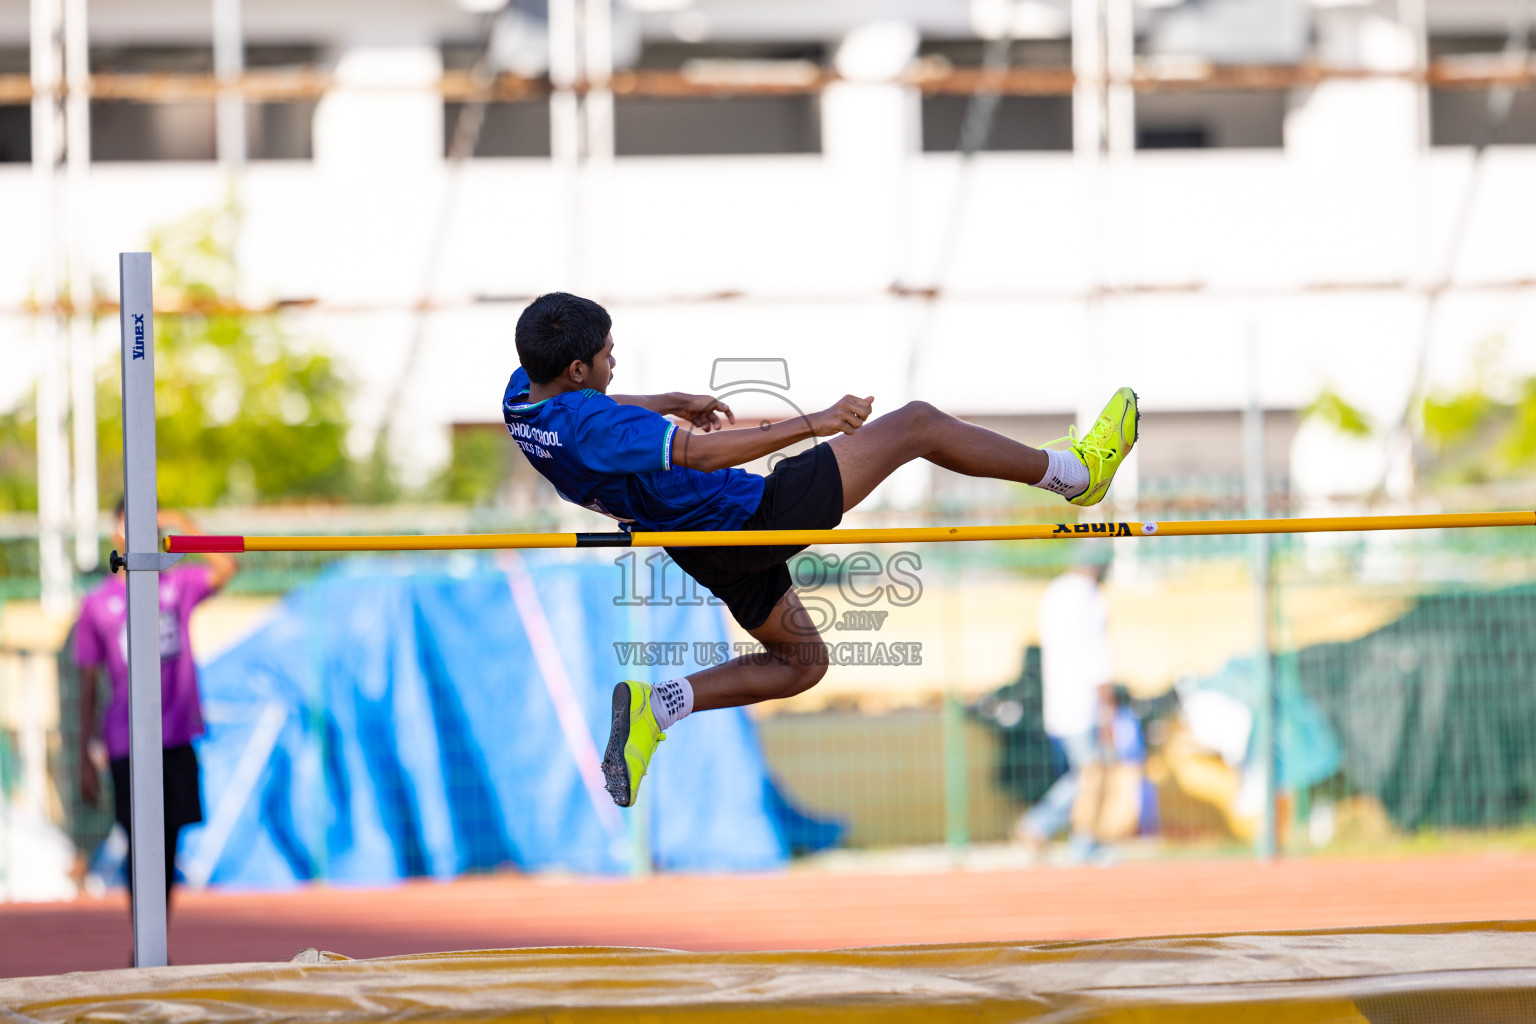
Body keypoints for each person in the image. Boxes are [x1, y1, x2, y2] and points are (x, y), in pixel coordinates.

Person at [502, 292, 1139, 808]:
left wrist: (667, 402)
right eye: (609, 356)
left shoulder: (523, 397)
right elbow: (695, 449)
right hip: (749, 519)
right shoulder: (594, 425)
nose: (616, 364)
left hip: (698, 543)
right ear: (578, 369)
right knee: (915, 424)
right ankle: (1075, 474)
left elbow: (598, 410)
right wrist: (818, 420)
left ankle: (658, 707)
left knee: (801, 662)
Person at [75, 503, 238, 913]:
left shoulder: (178, 585)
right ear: (115, 535)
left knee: (168, 837)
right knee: (139, 837)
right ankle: (144, 939)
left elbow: (226, 567)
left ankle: (155, 936)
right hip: (127, 740)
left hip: (177, 733)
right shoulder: (97, 605)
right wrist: (82, 754)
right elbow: (88, 683)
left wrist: (182, 524)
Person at [1013, 548, 1118, 858]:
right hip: (1084, 703)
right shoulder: (1090, 597)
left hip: (1060, 701)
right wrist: (1107, 710)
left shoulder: (1055, 591)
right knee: (1091, 775)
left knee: (1085, 774)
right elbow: (1098, 658)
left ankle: (1078, 839)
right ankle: (1046, 827)